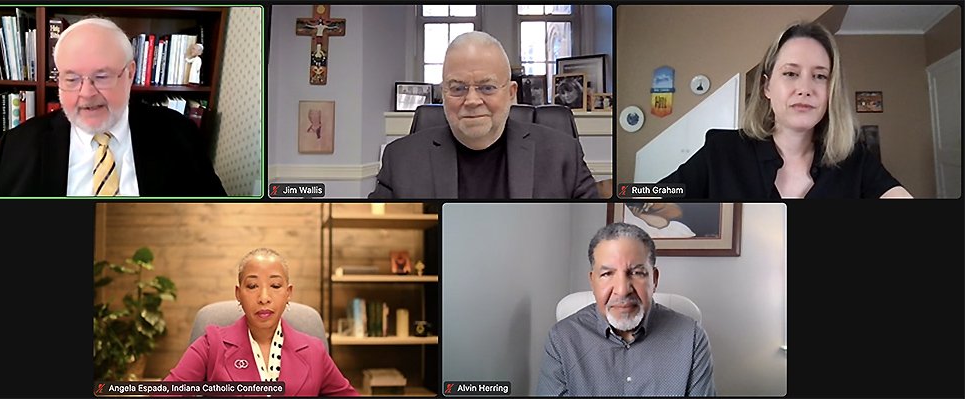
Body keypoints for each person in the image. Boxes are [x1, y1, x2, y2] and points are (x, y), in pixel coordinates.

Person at [658, 22, 912, 199]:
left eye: (820, 76)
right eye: (791, 73)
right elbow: (644, 198)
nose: (805, 88)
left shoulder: (854, 158)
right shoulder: (722, 151)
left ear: (831, 91)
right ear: (767, 86)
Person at [0, 17, 226, 196]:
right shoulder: (16, 145)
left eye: (102, 76)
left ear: (130, 74)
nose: (86, 93)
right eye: (72, 78)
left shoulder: (179, 134)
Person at [369, 31, 597, 199]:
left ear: (510, 93)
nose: (472, 101)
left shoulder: (563, 155)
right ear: (444, 94)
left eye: (487, 87)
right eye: (458, 88)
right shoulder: (399, 160)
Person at [537, 223, 716, 396]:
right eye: (607, 274)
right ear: (593, 282)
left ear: (654, 279)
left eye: (637, 273)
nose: (622, 290)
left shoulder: (691, 338)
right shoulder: (562, 339)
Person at [164, 248, 359, 396]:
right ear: (238, 294)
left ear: (288, 293)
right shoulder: (210, 345)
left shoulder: (314, 351)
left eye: (275, 285)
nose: (264, 297)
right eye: (252, 286)